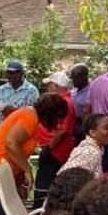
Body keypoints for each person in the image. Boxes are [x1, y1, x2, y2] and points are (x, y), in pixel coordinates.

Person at [0, 92, 73, 198]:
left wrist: (21, 175)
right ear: (51, 113)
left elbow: (18, 150)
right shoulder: (30, 116)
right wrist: (27, 169)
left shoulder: (32, 116)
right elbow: (11, 144)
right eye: (59, 118)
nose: (59, 123)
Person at [33, 70, 78, 206]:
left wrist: (49, 148)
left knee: (44, 183)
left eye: (50, 85)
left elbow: (62, 130)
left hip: (55, 151)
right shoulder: (63, 100)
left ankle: (40, 210)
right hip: (53, 148)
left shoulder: (64, 103)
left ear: (57, 86)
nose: (48, 89)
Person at [0, 59, 40, 125]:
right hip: (1, 129)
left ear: (21, 73)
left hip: (20, 129)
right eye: (8, 73)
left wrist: (15, 112)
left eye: (13, 73)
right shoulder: (1, 90)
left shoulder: (31, 91)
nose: (10, 75)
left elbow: (35, 114)